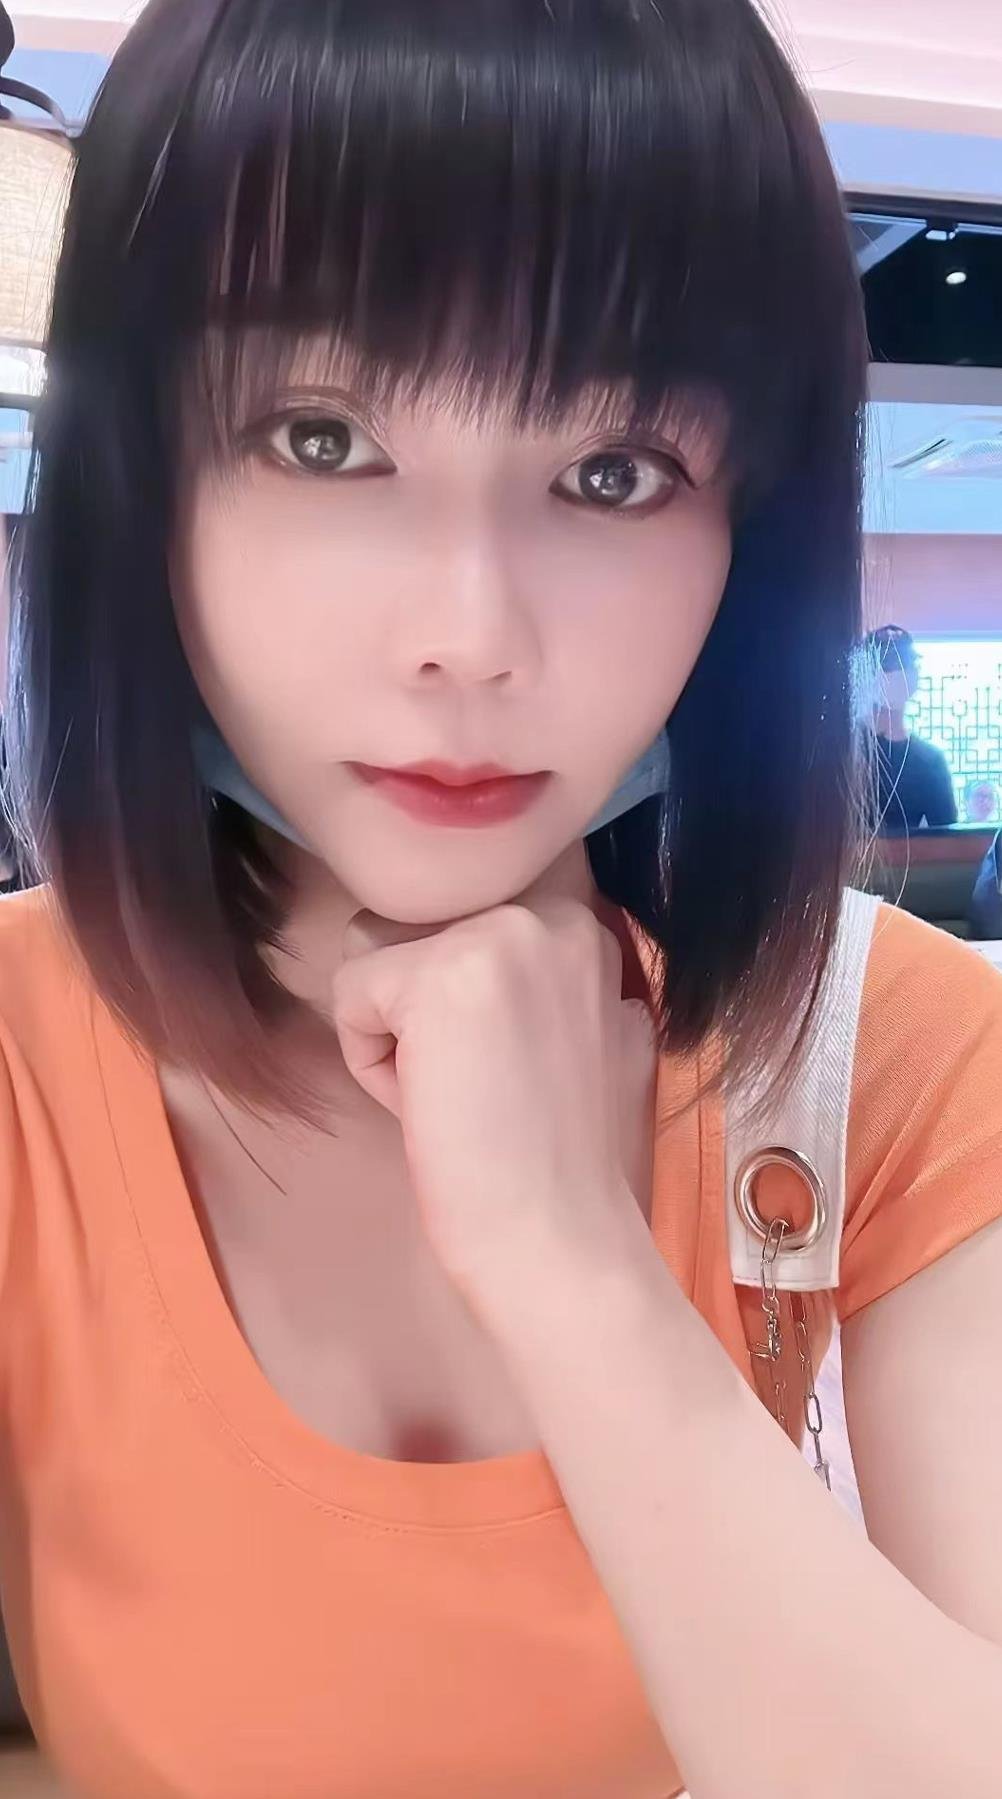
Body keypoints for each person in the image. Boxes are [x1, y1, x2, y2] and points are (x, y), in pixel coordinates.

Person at [5, 3, 1002, 1796]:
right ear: (140, 482)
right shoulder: (20, 1057)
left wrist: (571, 1265)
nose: (468, 632)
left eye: (613, 472)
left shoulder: (908, 1055)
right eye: (320, 438)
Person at [866, 623, 958, 829]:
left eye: (903, 666)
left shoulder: (930, 761)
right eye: (886, 666)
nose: (894, 674)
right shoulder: (841, 754)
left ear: (914, 677)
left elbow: (947, 839)